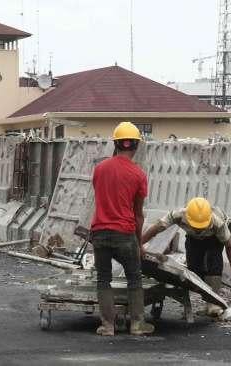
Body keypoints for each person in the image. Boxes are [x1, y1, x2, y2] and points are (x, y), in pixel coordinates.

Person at [90, 121, 154, 336]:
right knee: (134, 278)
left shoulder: (99, 169)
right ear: (136, 145)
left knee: (103, 279)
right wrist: (139, 244)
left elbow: (99, 196)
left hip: (99, 231)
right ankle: (137, 324)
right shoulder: (138, 175)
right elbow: (138, 213)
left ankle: (108, 326)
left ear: (115, 144)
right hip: (124, 233)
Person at [141, 197, 231, 316]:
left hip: (214, 237)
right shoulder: (177, 215)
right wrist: (139, 243)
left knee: (213, 262)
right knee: (194, 267)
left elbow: (230, 245)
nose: (198, 229)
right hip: (193, 238)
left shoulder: (217, 222)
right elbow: (157, 227)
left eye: (201, 227)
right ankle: (206, 295)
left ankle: (213, 304)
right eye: (196, 227)